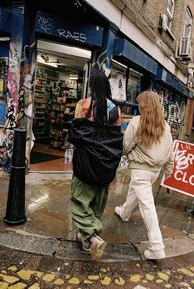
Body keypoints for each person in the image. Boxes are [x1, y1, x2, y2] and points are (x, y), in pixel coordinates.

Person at [114, 90, 174, 260]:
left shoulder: (136, 122)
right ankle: (124, 212)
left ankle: (156, 246)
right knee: (136, 192)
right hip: (155, 172)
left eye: (140, 104)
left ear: (144, 106)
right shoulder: (165, 126)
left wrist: (129, 152)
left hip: (140, 170)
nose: (138, 106)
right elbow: (170, 152)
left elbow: (125, 147)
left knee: (147, 205)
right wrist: (168, 171)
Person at [70, 69, 121, 260]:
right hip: (105, 165)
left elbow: (75, 135)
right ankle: (86, 239)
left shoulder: (82, 105)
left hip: (85, 163)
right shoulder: (115, 109)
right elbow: (116, 139)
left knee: (80, 200)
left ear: (91, 85)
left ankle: (91, 237)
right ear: (106, 85)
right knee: (98, 202)